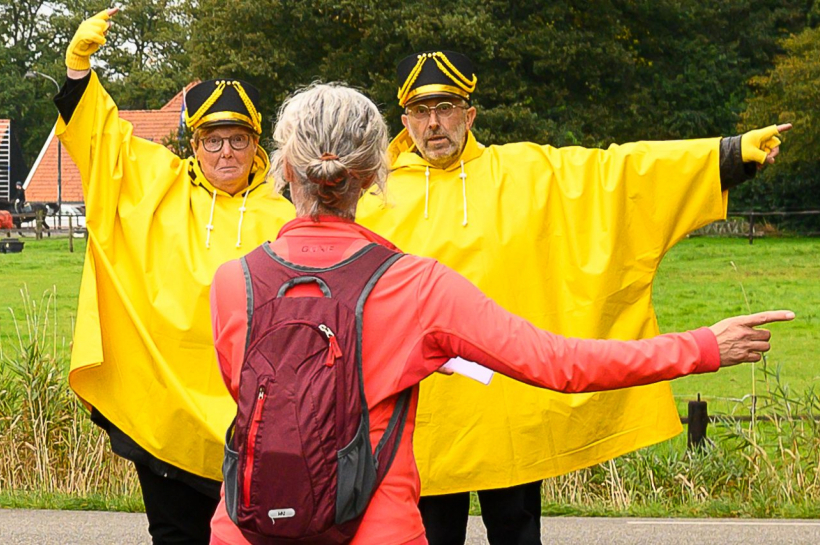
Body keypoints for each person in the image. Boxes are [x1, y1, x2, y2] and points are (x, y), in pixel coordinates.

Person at [208, 82, 794, 545]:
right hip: (378, 527)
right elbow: (560, 363)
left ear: (284, 169)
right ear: (371, 175)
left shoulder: (233, 283)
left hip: (246, 526)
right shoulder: (417, 285)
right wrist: (704, 346)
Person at [55, 9, 294, 544]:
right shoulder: (157, 185)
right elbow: (101, 145)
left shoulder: (285, 211)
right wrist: (78, 71)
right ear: (194, 143)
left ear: (257, 142)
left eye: (238, 139)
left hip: (256, 422)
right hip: (164, 409)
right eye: (213, 139)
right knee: (173, 535)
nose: (226, 151)